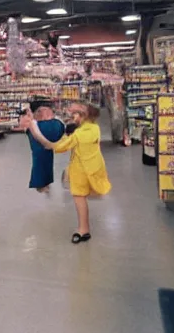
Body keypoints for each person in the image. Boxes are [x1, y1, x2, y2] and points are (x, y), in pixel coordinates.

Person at [28, 103, 112, 244]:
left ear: (83, 116)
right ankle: (84, 228)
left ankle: (83, 229)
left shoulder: (79, 134)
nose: (72, 118)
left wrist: (36, 132)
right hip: (94, 167)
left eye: (75, 115)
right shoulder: (95, 128)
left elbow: (58, 147)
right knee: (82, 199)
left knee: (79, 200)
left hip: (81, 171)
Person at [23, 99, 65, 193]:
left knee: (43, 157)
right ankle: (41, 184)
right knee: (43, 157)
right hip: (42, 133)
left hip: (39, 133)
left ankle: (43, 183)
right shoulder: (44, 116)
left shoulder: (35, 115)